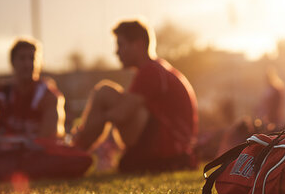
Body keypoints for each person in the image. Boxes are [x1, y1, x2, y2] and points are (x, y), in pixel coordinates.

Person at [72, 20, 198, 173]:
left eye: (121, 45)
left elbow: (122, 114)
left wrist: (91, 125)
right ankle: (76, 150)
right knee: (117, 100)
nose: (116, 52)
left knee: (104, 92)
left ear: (138, 45)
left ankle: (74, 152)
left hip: (171, 147)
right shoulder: (157, 69)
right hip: (175, 147)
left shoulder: (151, 70)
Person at [0, 38, 65, 138]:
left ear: (39, 63)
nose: (27, 64)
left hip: (34, 155)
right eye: (22, 58)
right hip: (5, 151)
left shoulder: (48, 96)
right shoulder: (4, 91)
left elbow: (48, 140)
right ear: (13, 62)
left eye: (32, 58)